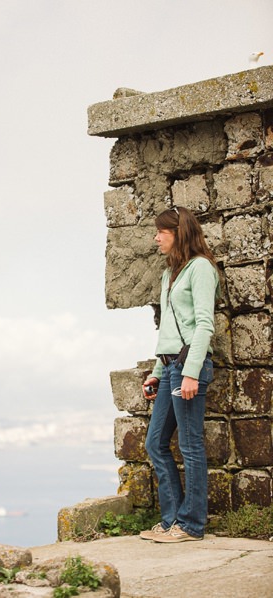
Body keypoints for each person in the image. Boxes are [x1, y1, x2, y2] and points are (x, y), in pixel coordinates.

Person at [140, 205, 219, 543]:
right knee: (155, 443)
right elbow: (169, 332)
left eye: (162, 231)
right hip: (171, 366)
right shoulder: (169, 273)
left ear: (179, 232)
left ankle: (191, 525)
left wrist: (189, 373)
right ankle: (173, 520)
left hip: (191, 367)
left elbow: (204, 325)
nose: (156, 238)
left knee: (189, 446)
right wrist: (158, 372)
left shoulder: (201, 268)